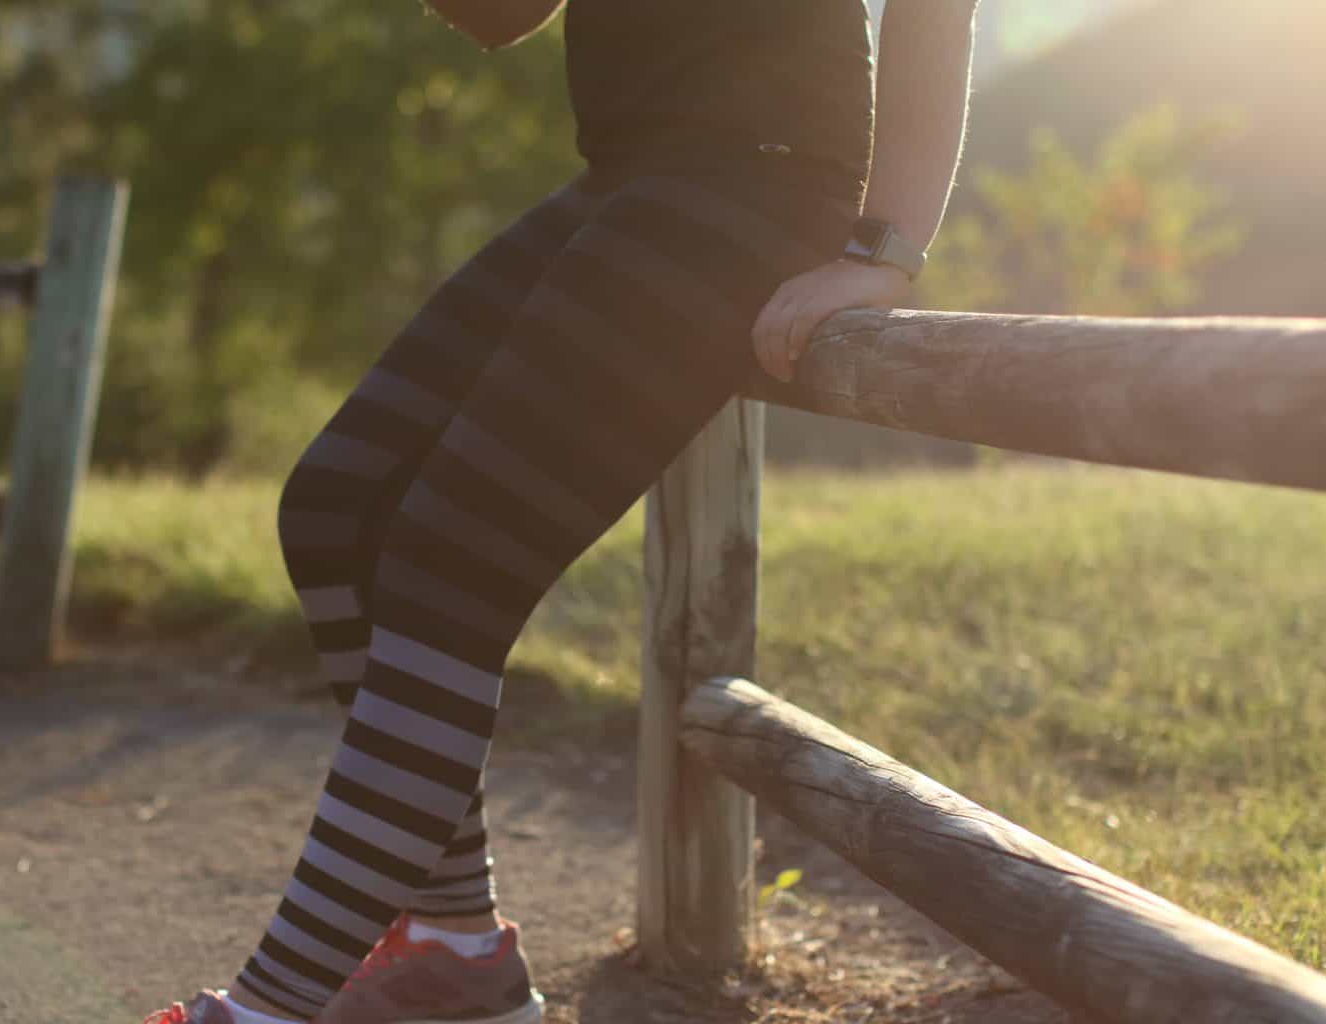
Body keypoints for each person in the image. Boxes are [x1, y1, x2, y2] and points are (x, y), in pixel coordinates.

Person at [143, 0, 977, 1020]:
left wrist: (882, 249)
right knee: (336, 504)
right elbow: (501, 15)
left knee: (450, 563)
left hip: (762, 188)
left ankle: (270, 1005)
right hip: (624, 179)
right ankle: (456, 949)